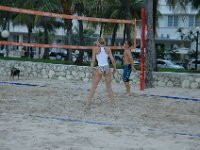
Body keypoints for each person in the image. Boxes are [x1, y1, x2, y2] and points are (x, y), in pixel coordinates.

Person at [86, 37, 117, 109]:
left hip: (100, 67)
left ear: (98, 42)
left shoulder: (95, 49)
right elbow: (112, 59)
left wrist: (90, 70)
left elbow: (93, 60)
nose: (96, 42)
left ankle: (88, 104)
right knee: (109, 87)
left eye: (97, 41)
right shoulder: (108, 49)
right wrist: (115, 68)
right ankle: (113, 104)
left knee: (94, 87)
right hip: (107, 67)